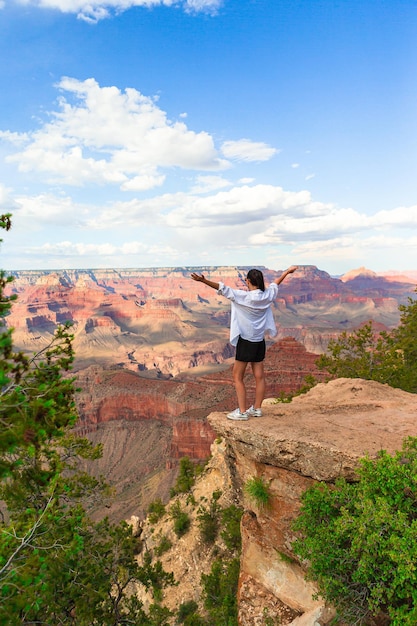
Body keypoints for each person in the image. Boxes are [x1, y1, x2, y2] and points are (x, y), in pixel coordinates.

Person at [190, 266, 298, 420]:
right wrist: (286, 272)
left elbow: (223, 288)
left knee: (237, 376)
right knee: (259, 376)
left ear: (247, 281)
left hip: (246, 341)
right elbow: (275, 284)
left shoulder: (243, 296)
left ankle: (241, 412)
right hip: (259, 341)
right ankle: (257, 408)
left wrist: (203, 280)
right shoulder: (268, 296)